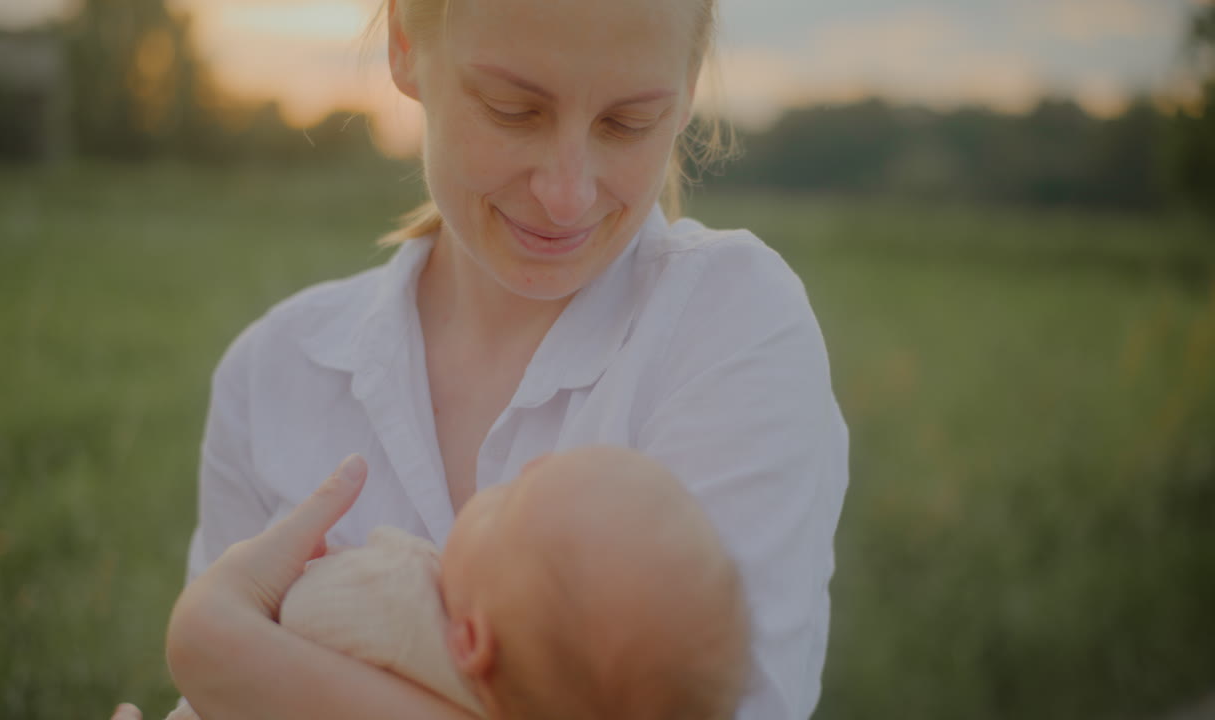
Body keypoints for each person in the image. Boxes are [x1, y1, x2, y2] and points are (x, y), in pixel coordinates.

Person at [111, 0, 848, 716]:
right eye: (512, 109)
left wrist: (221, 647)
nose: (568, 195)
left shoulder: (729, 323)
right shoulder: (275, 372)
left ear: (687, 93)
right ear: (405, 44)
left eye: (628, 123)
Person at [164, 446, 752, 720]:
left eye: (506, 503)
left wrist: (313, 572)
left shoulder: (395, 606)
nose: (511, 476)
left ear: (469, 643)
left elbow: (301, 611)